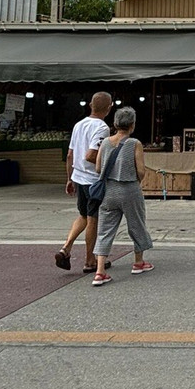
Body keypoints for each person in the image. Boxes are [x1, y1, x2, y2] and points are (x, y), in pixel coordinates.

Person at [90, 105, 154, 286]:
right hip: (130, 190)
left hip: (109, 191)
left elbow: (97, 168)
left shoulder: (105, 142)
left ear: (115, 123)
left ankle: (100, 271)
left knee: (105, 229)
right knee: (136, 224)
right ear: (132, 125)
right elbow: (141, 171)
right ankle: (138, 262)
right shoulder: (135, 144)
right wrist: (135, 180)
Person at [55, 92, 113, 273]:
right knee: (93, 219)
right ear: (110, 108)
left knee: (82, 215)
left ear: (90, 105)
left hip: (78, 178)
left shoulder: (78, 125)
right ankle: (90, 260)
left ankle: (66, 247)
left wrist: (69, 178)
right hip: (93, 180)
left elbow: (70, 154)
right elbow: (91, 155)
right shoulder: (102, 128)